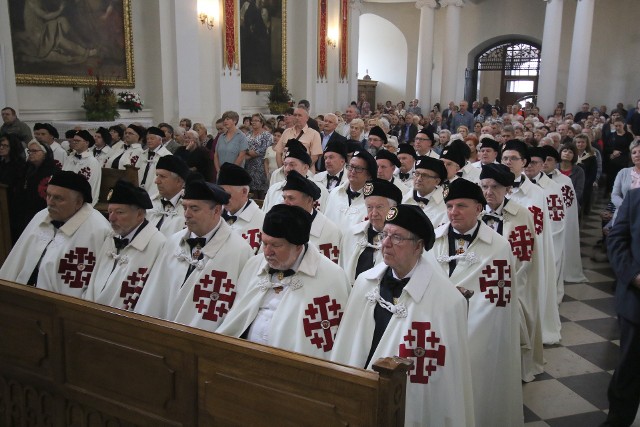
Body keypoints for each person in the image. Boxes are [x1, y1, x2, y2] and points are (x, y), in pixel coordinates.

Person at [332, 204, 474, 427]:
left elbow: (448, 383)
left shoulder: (446, 301)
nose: (386, 243)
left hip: (411, 402)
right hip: (362, 395)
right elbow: (347, 345)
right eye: (385, 234)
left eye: (397, 237)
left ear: (418, 246)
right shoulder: (365, 282)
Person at [432, 178, 523, 426]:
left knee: (473, 382)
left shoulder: (498, 247)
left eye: (461, 205)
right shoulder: (432, 240)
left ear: (479, 208)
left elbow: (498, 303)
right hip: (434, 328)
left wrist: (465, 328)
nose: (453, 212)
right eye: (449, 205)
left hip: (476, 329)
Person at [217, 204, 350, 360]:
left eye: (276, 245)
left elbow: (328, 342)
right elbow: (236, 316)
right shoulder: (254, 264)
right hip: (241, 358)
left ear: (298, 246)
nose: (266, 252)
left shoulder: (331, 277)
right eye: (264, 243)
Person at [135, 179, 254, 331]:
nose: (187, 214)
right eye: (184, 207)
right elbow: (154, 292)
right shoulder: (173, 242)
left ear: (217, 210)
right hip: (161, 333)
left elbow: (240, 309)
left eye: (194, 209)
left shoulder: (239, 251)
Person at [479, 163, 544, 382]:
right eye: (484, 186)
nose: (489, 192)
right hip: (481, 280)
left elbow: (525, 257)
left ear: (508, 189)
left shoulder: (521, 215)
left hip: (513, 280)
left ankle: (514, 369)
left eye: (495, 187)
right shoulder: (474, 211)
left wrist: (507, 282)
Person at [0, 171, 111, 297]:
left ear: (78, 203)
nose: (50, 203)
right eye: (48, 196)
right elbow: (16, 261)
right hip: (23, 297)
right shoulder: (42, 216)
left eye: (58, 198)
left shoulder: (99, 230)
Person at [83, 180, 166, 311]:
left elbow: (153, 297)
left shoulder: (157, 244)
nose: (111, 218)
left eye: (119, 212)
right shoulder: (112, 236)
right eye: (110, 212)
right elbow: (95, 278)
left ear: (139, 214)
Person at [603, 187, 640, 426]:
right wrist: (634, 276)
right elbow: (617, 239)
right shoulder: (636, 198)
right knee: (630, 368)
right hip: (637, 300)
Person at [339, 178, 402, 284]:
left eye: (379, 207)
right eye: (369, 207)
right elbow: (342, 270)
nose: (373, 213)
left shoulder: (402, 239)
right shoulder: (352, 233)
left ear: (393, 209)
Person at [541, 145, 587, 284]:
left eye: (549, 160)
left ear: (556, 162)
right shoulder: (532, 179)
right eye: (542, 160)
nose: (545, 163)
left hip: (557, 224)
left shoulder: (564, 181)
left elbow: (569, 207)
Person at [282, 170, 342, 263]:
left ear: (309, 201)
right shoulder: (278, 223)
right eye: (284, 198)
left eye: (291, 198)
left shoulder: (329, 231)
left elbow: (332, 269)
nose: (285, 203)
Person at [262, 140, 329, 213]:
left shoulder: (321, 191)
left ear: (305, 168)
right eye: (285, 164)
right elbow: (263, 216)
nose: (287, 169)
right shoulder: (274, 189)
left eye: (292, 165)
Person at [13, 139, 58, 239]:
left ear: (45, 154)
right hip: (25, 211)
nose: (31, 154)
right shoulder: (27, 169)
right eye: (29, 151)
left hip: (44, 212)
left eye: (34, 151)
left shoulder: (52, 171)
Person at [218, 162, 265, 254]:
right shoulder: (215, 216)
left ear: (244, 192)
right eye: (220, 193)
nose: (223, 199)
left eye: (227, 194)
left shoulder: (262, 221)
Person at [324, 149, 377, 231]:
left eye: (358, 168)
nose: (353, 171)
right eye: (351, 167)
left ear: (369, 175)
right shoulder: (335, 192)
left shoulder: (373, 200)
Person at [146, 155, 189, 237]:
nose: (156, 181)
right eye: (157, 175)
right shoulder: (150, 203)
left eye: (162, 176)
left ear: (179, 181)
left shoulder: (188, 208)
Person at [401, 156, 449, 228]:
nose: (419, 179)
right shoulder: (403, 199)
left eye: (425, 175)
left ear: (437, 181)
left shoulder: (445, 205)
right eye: (417, 174)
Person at [62, 130, 102, 206]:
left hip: (82, 200)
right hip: (66, 195)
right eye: (74, 140)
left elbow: (91, 185)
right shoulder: (70, 158)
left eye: (78, 141)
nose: (75, 142)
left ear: (87, 143)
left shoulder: (92, 162)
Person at [0, 133, 27, 243]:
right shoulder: (2, 162)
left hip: (13, 207)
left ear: (13, 147)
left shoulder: (19, 165)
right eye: (0, 145)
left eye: (5, 146)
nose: (1, 148)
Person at [137, 126, 172, 200]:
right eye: (147, 139)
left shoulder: (166, 155)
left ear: (160, 140)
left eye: (152, 138)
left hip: (156, 192)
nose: (149, 141)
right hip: (140, 191)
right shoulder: (143, 154)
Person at [244, 113, 272, 198]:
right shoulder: (248, 134)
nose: (253, 122)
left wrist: (249, 153)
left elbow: (263, 150)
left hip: (261, 167)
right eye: (252, 120)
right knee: (251, 192)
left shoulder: (267, 135)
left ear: (262, 122)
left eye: (256, 120)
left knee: (261, 193)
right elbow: (243, 147)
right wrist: (248, 153)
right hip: (249, 167)